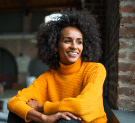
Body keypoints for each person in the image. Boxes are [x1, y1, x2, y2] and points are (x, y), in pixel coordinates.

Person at [7, 8, 107, 123]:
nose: (75, 46)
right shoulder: (49, 76)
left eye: (79, 42)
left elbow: (82, 106)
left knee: (66, 120)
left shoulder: (95, 69)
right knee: (17, 113)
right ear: (55, 46)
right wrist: (44, 118)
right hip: (57, 120)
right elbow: (13, 102)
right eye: (67, 41)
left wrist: (41, 107)